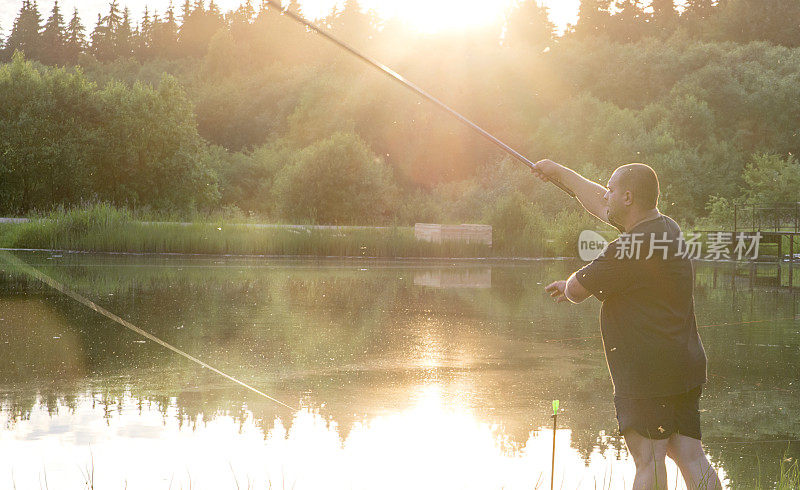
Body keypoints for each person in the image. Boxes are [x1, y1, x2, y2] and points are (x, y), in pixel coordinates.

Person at [531, 160, 722, 490]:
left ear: (629, 198)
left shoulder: (626, 250)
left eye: (612, 189)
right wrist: (560, 173)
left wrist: (568, 283)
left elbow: (577, 291)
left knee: (649, 458)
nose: (606, 195)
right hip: (684, 365)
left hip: (648, 372)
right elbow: (599, 201)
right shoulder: (666, 230)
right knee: (690, 455)